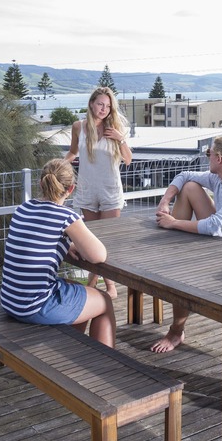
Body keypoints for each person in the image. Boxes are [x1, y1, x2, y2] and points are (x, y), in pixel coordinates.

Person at [150, 135, 222, 352]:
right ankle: (174, 245)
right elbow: (184, 175)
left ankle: (176, 331)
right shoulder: (220, 177)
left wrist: (175, 223)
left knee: (181, 271)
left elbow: (217, 226)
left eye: (209, 154)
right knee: (190, 187)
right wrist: (165, 201)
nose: (207, 158)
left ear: (220, 159)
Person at [0, 158, 117, 347]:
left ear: (41, 183)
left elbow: (36, 240)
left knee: (78, 289)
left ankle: (69, 348)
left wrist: (65, 244)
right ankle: (104, 365)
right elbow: (99, 256)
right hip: (34, 306)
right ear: (71, 189)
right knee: (104, 301)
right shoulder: (66, 216)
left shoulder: (22, 209)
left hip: (10, 300)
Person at [65, 86, 133, 299]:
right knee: (92, 241)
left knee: (108, 240)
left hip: (110, 189)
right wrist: (56, 165)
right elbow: (73, 152)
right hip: (86, 189)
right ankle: (98, 284)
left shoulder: (115, 128)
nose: (104, 109)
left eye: (108, 106)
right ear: (91, 104)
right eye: (100, 104)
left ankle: (101, 284)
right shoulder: (79, 127)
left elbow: (128, 160)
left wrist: (120, 139)